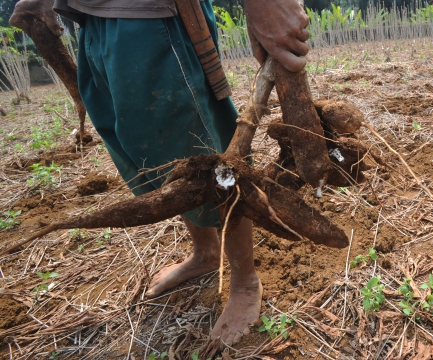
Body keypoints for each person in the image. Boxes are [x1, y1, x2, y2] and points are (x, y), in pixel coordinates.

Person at [10, 0, 310, 346]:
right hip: (90, 22)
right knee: (157, 154)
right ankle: (206, 253)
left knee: (206, 162)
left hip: (154, 18)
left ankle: (245, 281)